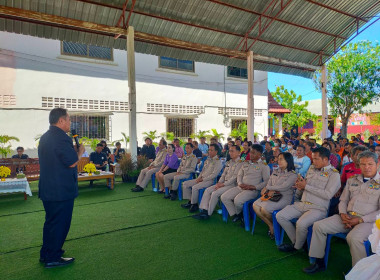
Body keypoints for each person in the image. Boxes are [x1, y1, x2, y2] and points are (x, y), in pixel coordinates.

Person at [304, 151, 380, 273]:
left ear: (377, 164)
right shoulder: (352, 180)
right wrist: (343, 214)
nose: (366, 167)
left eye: (370, 164)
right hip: (347, 217)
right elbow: (343, 200)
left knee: (353, 238)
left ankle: (359, 273)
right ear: (358, 165)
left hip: (368, 221)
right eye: (363, 164)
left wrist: (360, 220)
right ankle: (318, 262)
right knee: (319, 226)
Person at [38, 108, 85, 268]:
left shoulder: (45, 137)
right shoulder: (61, 138)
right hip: (60, 191)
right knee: (60, 223)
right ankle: (53, 257)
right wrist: (80, 152)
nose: (70, 123)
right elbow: (71, 162)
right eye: (69, 119)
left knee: (51, 222)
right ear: (61, 121)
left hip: (48, 189)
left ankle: (47, 253)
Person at [276, 147, 341, 253]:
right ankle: (298, 242)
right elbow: (305, 184)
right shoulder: (311, 168)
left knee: (301, 224)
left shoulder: (334, 174)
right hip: (303, 203)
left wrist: (306, 186)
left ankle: (296, 247)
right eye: (313, 158)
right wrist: (299, 185)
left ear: (325, 160)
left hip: (318, 208)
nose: (313, 161)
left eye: (316, 159)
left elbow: (328, 195)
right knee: (280, 216)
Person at [221, 144, 270, 223]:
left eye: (254, 153)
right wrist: (240, 183)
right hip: (240, 187)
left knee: (237, 200)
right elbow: (239, 175)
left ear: (260, 154)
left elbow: (267, 182)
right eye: (250, 152)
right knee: (224, 197)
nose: (251, 154)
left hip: (252, 190)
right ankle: (237, 215)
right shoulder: (245, 163)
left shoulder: (264, 166)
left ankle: (241, 216)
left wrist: (254, 187)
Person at [253, 152, 297, 239]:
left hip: (284, 197)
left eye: (281, 159)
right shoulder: (276, 171)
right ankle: (272, 225)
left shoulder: (293, 174)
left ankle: (275, 226)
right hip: (271, 194)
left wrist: (268, 187)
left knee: (265, 209)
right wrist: (268, 189)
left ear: (288, 161)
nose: (278, 161)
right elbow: (269, 181)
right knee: (255, 206)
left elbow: (284, 187)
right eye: (278, 159)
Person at [192, 145, 243, 220]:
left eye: (232, 151)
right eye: (230, 151)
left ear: (238, 153)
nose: (230, 153)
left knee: (215, 193)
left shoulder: (240, 163)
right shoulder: (229, 162)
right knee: (208, 190)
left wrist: (222, 184)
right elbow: (223, 174)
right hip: (223, 184)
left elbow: (234, 178)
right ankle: (204, 210)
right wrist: (219, 183)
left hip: (232, 185)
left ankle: (208, 214)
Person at [181, 144, 223, 213]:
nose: (209, 151)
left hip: (209, 181)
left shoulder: (218, 162)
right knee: (185, 184)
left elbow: (214, 175)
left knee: (195, 187)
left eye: (211, 150)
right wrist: (199, 177)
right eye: (209, 150)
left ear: (216, 151)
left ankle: (194, 205)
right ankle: (190, 201)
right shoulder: (208, 160)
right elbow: (202, 171)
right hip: (201, 179)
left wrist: (202, 179)